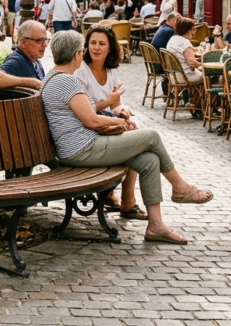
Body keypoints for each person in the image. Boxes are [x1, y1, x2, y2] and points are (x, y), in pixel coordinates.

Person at [42, 30, 213, 244]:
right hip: (81, 149)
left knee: (149, 160)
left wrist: (116, 119)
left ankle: (155, 226)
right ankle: (180, 188)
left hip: (80, 146)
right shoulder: (67, 82)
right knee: (151, 136)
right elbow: (92, 120)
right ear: (77, 54)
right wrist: (120, 122)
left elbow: (90, 116)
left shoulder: (53, 77)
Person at [75, 25, 144, 219]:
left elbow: (116, 105)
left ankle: (119, 198)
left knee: (134, 130)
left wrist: (123, 113)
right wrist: (108, 104)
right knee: (136, 142)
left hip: (105, 123)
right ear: (86, 46)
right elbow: (84, 111)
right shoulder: (81, 70)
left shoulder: (111, 70)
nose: (96, 48)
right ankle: (124, 202)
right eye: (93, 43)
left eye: (102, 44)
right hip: (87, 129)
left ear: (110, 48)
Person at [0, 20, 47, 90]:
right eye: (39, 41)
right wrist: (33, 82)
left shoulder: (36, 62)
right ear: (23, 43)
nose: (45, 45)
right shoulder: (17, 60)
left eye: (46, 40)